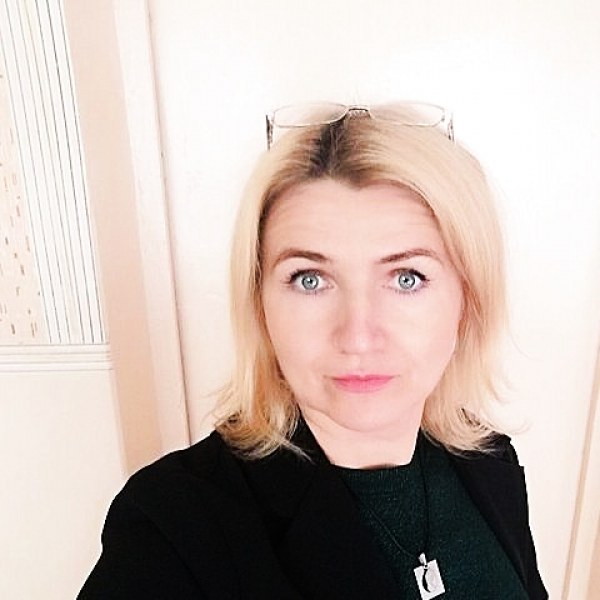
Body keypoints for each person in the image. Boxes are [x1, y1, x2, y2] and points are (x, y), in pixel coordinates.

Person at [79, 102, 548, 599]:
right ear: (260, 305)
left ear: (467, 300)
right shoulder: (171, 528)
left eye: (407, 278)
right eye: (310, 279)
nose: (358, 336)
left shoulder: (489, 460)